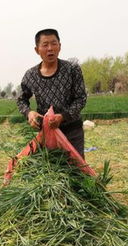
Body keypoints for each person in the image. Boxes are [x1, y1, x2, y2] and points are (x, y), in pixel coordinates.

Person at [17, 28, 87, 158]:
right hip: (47, 133)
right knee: (52, 171)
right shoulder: (31, 75)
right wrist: (29, 113)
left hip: (72, 132)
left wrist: (63, 116)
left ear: (59, 46)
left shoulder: (72, 70)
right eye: (45, 45)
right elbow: (21, 100)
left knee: (76, 172)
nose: (50, 48)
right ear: (37, 50)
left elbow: (81, 99)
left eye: (54, 43)